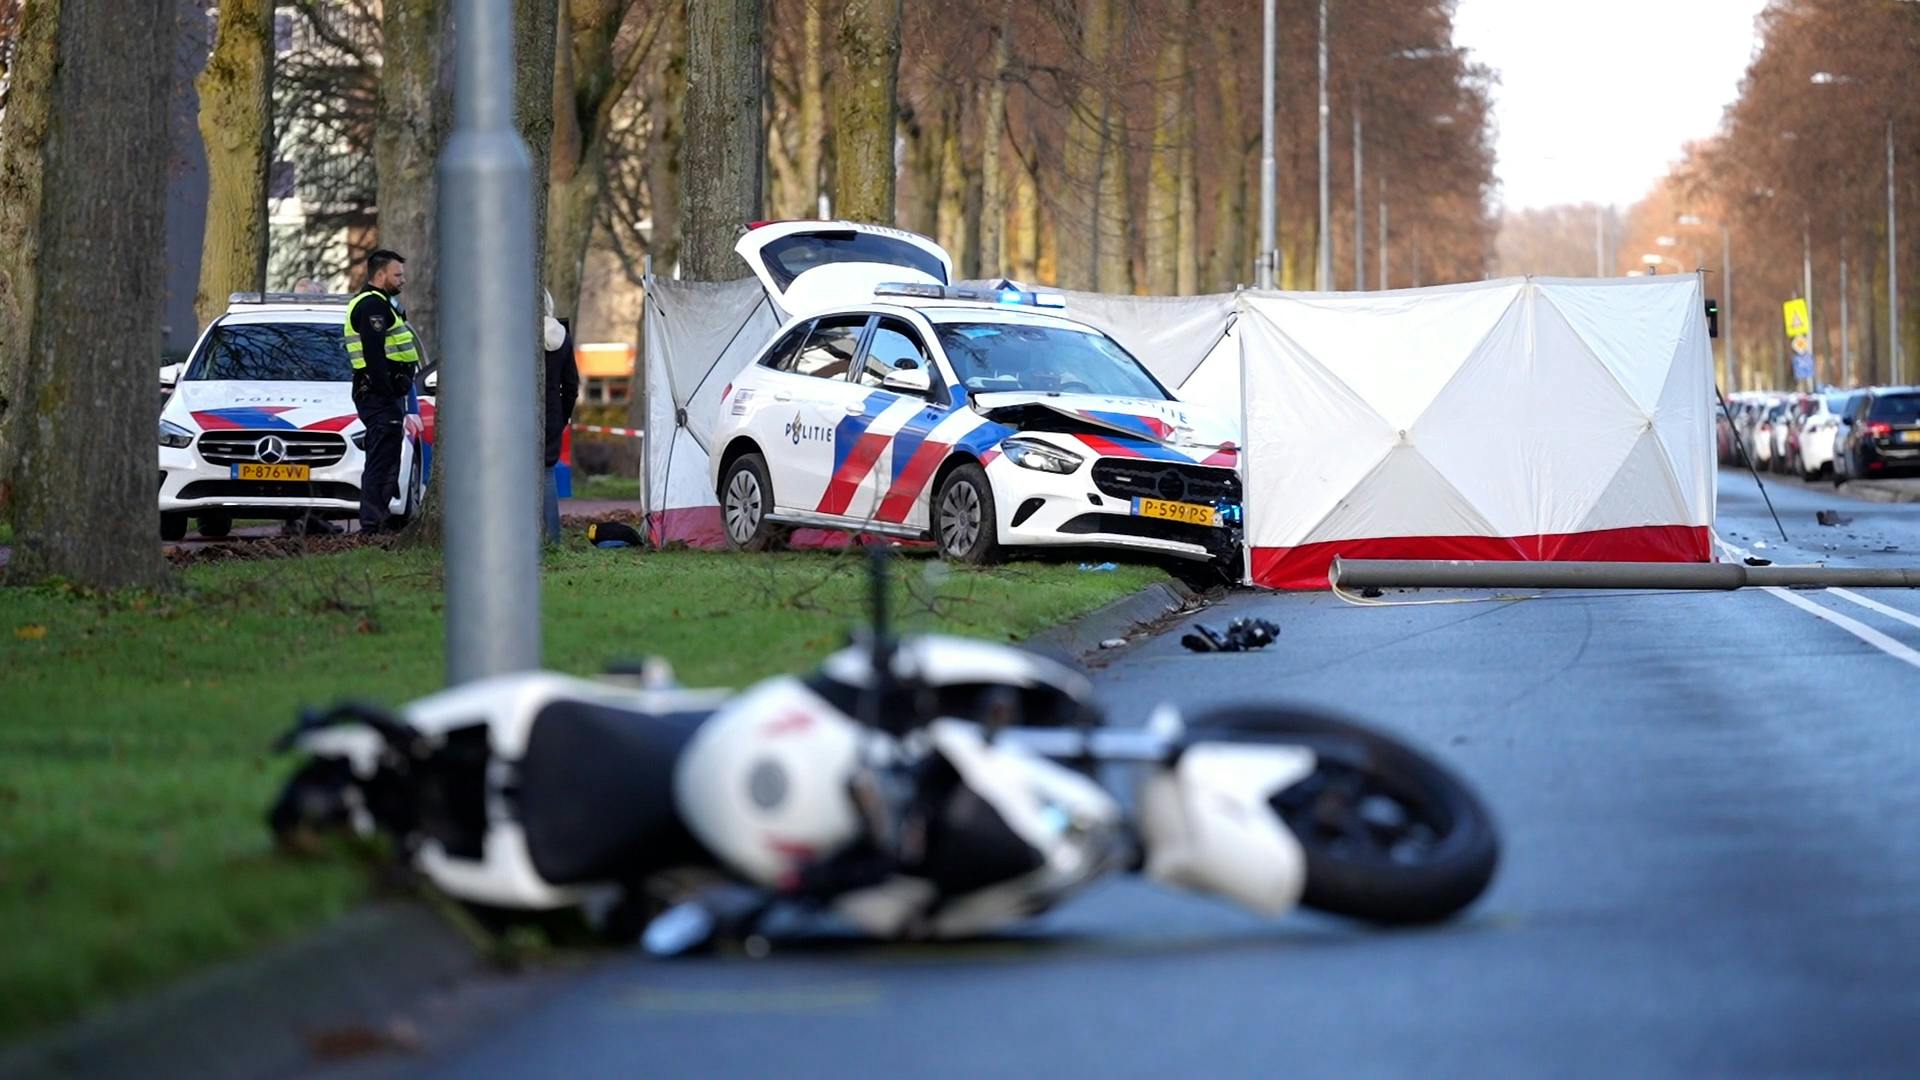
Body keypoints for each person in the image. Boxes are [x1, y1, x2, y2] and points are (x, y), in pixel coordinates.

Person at [343, 249, 420, 535]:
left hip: (382, 394)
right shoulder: (372, 306)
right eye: (397, 274)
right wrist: (389, 388)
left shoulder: (384, 304)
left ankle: (378, 519)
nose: (403, 279)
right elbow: (373, 354)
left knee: (387, 457)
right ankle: (372, 524)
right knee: (380, 459)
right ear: (380, 275)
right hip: (378, 395)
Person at [542, 291, 580, 543]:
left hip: (517, 414)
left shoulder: (513, 334)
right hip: (552, 412)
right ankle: (553, 538)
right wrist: (563, 416)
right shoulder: (562, 338)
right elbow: (572, 386)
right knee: (546, 475)